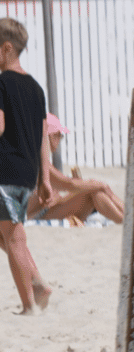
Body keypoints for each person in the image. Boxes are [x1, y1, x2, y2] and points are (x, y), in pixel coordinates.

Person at [0, 17, 53, 314]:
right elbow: (44, 136)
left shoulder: (1, 83)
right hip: (27, 175)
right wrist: (45, 178)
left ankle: (30, 304)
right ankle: (35, 284)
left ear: (6, 49)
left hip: (4, 172)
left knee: (15, 238)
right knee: (6, 234)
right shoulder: (36, 89)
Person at [27, 113, 123, 225]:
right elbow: (69, 185)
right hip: (37, 216)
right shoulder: (38, 162)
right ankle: (127, 221)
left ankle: (128, 218)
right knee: (96, 189)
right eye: (58, 135)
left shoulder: (38, 159)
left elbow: (58, 192)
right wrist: (100, 185)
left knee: (94, 191)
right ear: (48, 136)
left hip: (46, 210)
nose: (59, 140)